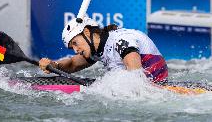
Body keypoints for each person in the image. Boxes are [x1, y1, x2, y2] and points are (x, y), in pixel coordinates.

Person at [39, 17, 168, 83]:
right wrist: (54, 65)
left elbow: (135, 74)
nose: (75, 50)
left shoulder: (121, 41)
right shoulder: (98, 49)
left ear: (87, 32)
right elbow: (73, 64)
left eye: (75, 43)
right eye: (72, 47)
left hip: (153, 89)